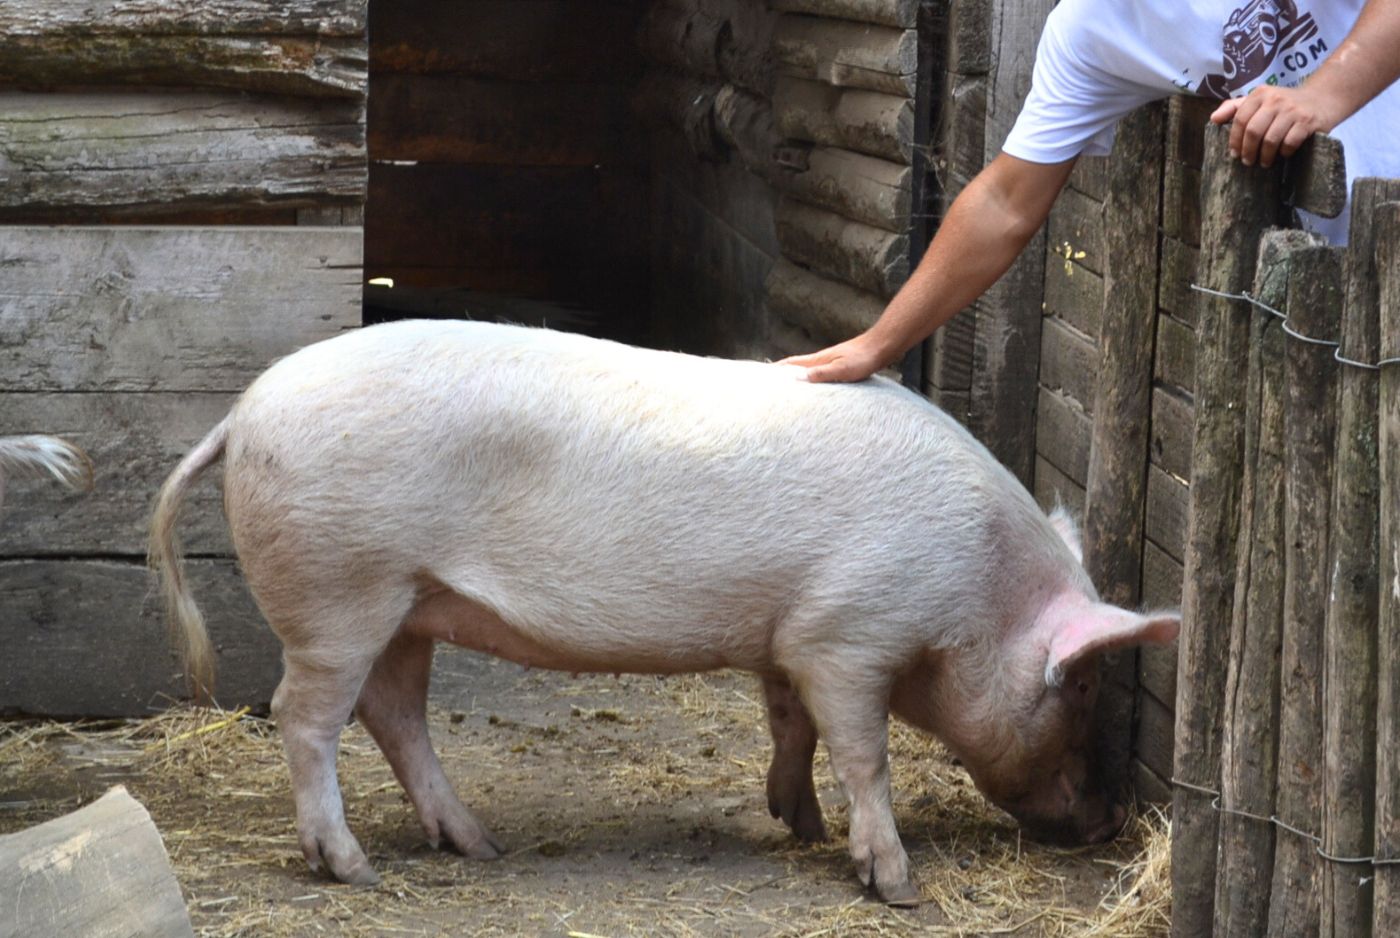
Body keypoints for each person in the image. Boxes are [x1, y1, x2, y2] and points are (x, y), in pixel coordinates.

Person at [781, 0, 1400, 384]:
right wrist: (877, 344)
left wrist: (1322, 95)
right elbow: (1004, 202)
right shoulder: (1089, 27)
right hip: (1348, 299)